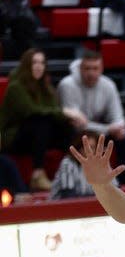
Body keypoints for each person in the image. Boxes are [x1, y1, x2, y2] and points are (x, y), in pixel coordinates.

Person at [0, 48, 87, 190]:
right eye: (34, 62)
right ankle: (37, 174)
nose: (39, 66)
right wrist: (66, 112)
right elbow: (31, 111)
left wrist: (67, 117)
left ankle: (76, 169)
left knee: (66, 126)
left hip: (38, 137)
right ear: (26, 65)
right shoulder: (15, 87)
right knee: (41, 121)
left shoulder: (45, 87)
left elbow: (54, 112)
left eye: (42, 63)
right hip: (12, 137)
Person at [57, 49, 125, 183]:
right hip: (75, 133)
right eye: (87, 68)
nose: (91, 73)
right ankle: (78, 185)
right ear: (81, 68)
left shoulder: (108, 85)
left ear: (101, 69)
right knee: (76, 133)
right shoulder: (67, 85)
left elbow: (119, 119)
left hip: (100, 132)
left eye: (95, 68)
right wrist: (108, 129)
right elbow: (79, 125)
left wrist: (116, 128)